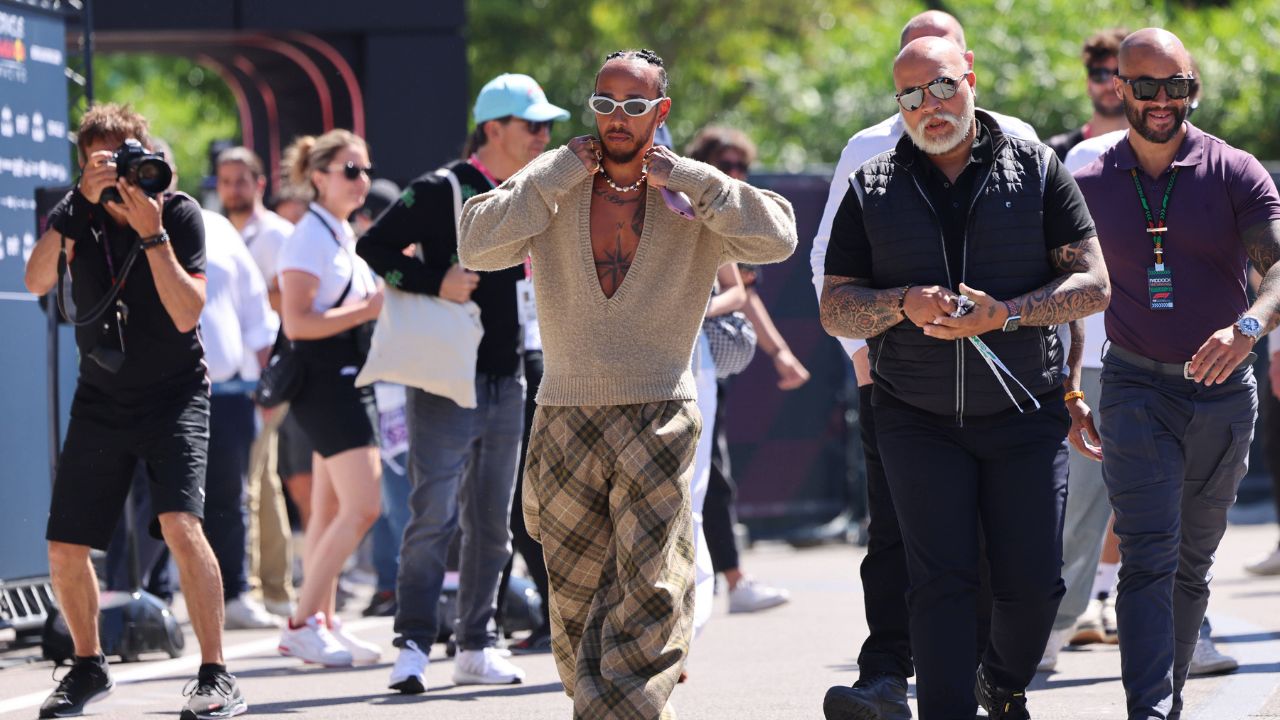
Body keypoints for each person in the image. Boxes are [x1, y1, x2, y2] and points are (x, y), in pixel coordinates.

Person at [459, 48, 797, 719]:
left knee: (649, 591)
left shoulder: (690, 198)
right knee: (579, 606)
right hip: (563, 414)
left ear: (660, 111)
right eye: (605, 103)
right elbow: (476, 244)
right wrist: (554, 171)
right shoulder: (556, 184)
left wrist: (696, 179)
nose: (617, 118)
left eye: (634, 105)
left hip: (659, 411)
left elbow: (779, 237)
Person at [821, 35, 1109, 719]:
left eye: (943, 86)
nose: (931, 105)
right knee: (940, 582)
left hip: (1025, 412)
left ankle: (1003, 684)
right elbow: (835, 304)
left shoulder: (1037, 167)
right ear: (899, 105)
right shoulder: (874, 183)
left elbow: (1093, 283)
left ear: (970, 79)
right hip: (915, 418)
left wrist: (1005, 315)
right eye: (912, 95)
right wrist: (900, 304)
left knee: (1035, 584)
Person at [1073, 28, 1280, 720]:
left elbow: (1277, 267)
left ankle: (1172, 695)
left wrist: (1249, 324)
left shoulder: (1236, 171)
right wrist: (1071, 387)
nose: (1163, 101)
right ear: (1119, 89)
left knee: (1192, 560)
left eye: (1178, 86)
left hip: (1223, 389)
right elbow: (1059, 291)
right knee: (1147, 554)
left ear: (1193, 88)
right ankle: (1150, 709)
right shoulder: (1088, 181)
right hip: (1134, 386)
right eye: (1146, 86)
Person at [24, 103, 247, 719]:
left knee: (180, 524)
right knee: (66, 547)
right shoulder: (75, 217)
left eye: (127, 155)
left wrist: (150, 231)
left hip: (174, 393)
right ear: (83, 165)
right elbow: (37, 280)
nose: (118, 169)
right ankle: (88, 666)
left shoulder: (177, 213)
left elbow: (186, 312)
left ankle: (216, 673)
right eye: (103, 160)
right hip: (101, 396)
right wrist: (72, 210)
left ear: (146, 154)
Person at [359, 72, 565, 692]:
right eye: (533, 125)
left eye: (546, 125)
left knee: (493, 522)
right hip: (447, 379)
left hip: (511, 377)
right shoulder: (442, 188)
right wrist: (434, 280)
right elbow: (374, 245)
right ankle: (415, 644)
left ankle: (478, 641)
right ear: (494, 128)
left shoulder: (536, 193)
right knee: (432, 517)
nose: (544, 135)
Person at [274, 129, 385, 668]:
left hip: (346, 378)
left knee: (331, 509)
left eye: (364, 170)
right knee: (364, 507)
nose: (361, 180)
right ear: (319, 178)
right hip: (324, 384)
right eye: (350, 170)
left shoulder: (338, 232)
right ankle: (299, 623)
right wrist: (368, 310)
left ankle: (323, 621)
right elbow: (296, 321)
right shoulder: (309, 236)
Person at [686, 125, 804, 613]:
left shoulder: (740, 218)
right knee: (696, 475)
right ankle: (716, 580)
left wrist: (780, 354)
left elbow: (741, 293)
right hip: (665, 356)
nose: (736, 174)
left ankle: (728, 579)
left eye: (742, 167)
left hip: (708, 360)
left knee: (711, 472)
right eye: (726, 164)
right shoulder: (685, 204)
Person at [214, 145, 299, 620]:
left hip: (265, 374)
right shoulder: (222, 231)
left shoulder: (278, 235)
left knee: (254, 482)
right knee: (255, 481)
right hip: (232, 380)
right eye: (225, 181)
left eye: (241, 180)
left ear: (260, 183)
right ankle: (264, 588)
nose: (232, 189)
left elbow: (289, 303)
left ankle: (262, 588)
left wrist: (272, 379)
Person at [1046, 29, 1130, 161]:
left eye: (1119, 73)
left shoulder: (1156, 154)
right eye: (1100, 74)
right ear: (1088, 83)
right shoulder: (1054, 154)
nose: (1110, 85)